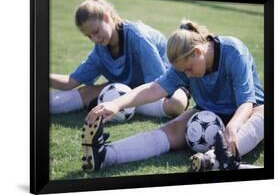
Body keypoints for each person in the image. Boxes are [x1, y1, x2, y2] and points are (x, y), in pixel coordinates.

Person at [82, 19, 264, 172]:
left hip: (249, 110)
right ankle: (106, 155)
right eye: (184, 72)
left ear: (199, 52)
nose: (188, 76)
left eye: (189, 69)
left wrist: (232, 126)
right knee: (170, 130)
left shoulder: (233, 51)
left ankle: (212, 160)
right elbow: (153, 88)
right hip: (207, 110)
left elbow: (247, 102)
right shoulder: (183, 66)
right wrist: (117, 104)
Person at [50, 0, 189, 118]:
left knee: (175, 104)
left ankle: (116, 102)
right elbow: (70, 82)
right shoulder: (99, 51)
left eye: (96, 31)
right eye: (89, 36)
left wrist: (117, 99)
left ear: (106, 17)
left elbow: (158, 86)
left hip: (161, 87)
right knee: (85, 93)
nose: (94, 39)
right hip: (127, 89)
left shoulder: (138, 37)